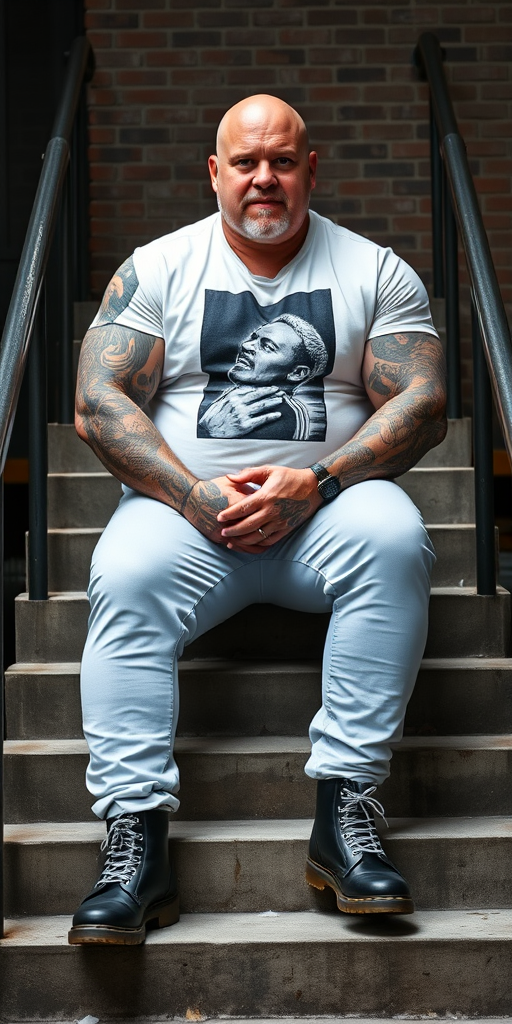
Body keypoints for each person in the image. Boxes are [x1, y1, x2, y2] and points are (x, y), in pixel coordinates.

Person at [68, 94, 446, 945]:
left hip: (328, 512)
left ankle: (343, 820)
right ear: (215, 173)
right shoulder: (160, 267)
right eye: (245, 163)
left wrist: (317, 480)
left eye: (282, 161)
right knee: (123, 572)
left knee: (394, 538)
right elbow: (98, 401)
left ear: (312, 169)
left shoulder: (375, 270)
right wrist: (190, 494)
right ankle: (136, 846)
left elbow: (423, 404)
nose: (264, 179)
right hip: (183, 519)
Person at [198, 313, 329, 440]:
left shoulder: (277, 414)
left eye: (267, 346)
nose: (245, 345)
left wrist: (210, 431)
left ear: (297, 373)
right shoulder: (239, 400)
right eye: (253, 338)